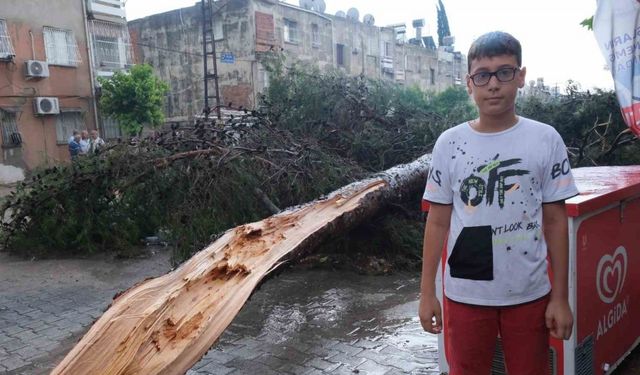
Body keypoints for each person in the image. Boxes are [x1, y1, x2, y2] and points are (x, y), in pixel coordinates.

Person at [419, 31, 579, 375]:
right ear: (469, 83)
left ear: (520, 76)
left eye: (504, 72)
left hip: (530, 291)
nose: (493, 84)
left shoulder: (545, 139)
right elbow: (437, 222)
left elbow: (555, 220)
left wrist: (561, 298)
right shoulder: (449, 144)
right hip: (465, 293)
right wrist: (426, 293)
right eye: (483, 75)